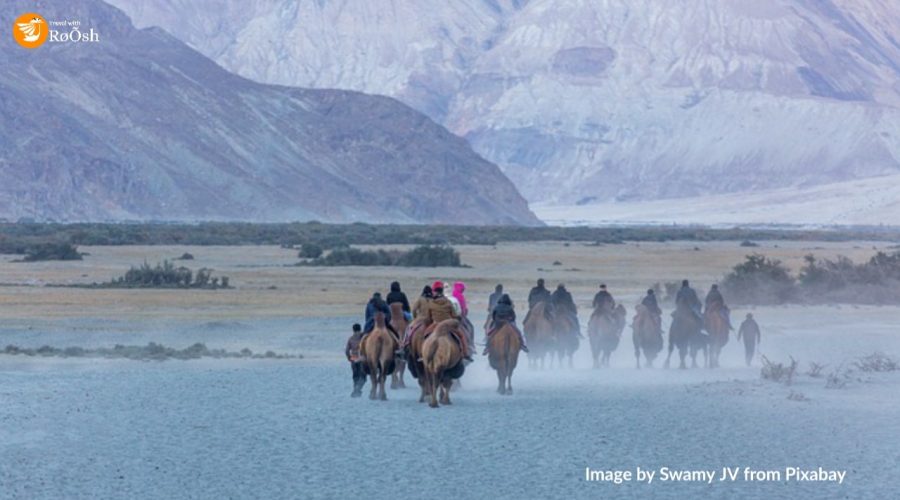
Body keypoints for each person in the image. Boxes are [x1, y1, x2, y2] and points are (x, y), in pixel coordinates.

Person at [426, 281, 473, 361]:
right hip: (448, 325)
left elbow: (428, 317)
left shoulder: (431, 303)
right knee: (462, 336)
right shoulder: (449, 302)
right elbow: (455, 314)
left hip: (436, 324)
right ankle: (465, 353)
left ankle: (423, 353)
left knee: (425, 335)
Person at [344, 323, 366, 397]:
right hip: (362, 359)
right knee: (363, 377)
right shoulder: (363, 337)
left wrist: (349, 358)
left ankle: (355, 390)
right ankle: (357, 389)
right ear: (360, 329)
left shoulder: (350, 339)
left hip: (353, 359)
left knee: (355, 376)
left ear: (353, 330)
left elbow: (347, 351)